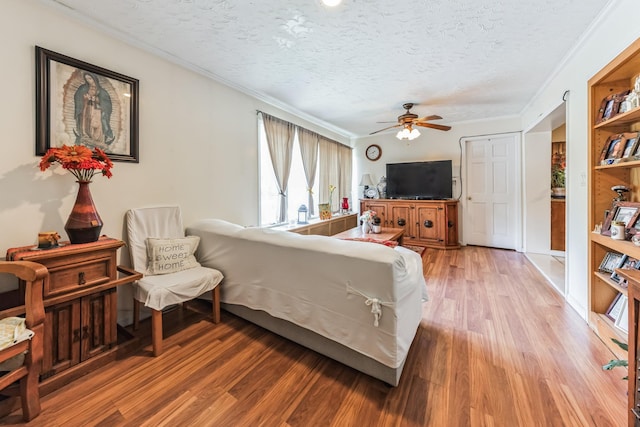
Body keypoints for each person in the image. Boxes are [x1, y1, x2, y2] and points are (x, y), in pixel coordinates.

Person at [73, 72, 114, 146]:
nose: (89, 81)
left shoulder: (102, 91)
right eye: (86, 79)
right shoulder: (83, 88)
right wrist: (85, 98)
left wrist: (96, 100)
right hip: (86, 108)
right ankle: (86, 136)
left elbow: (107, 103)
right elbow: (78, 97)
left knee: (96, 124)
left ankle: (97, 139)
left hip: (97, 110)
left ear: (94, 79)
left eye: (90, 79)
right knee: (86, 122)